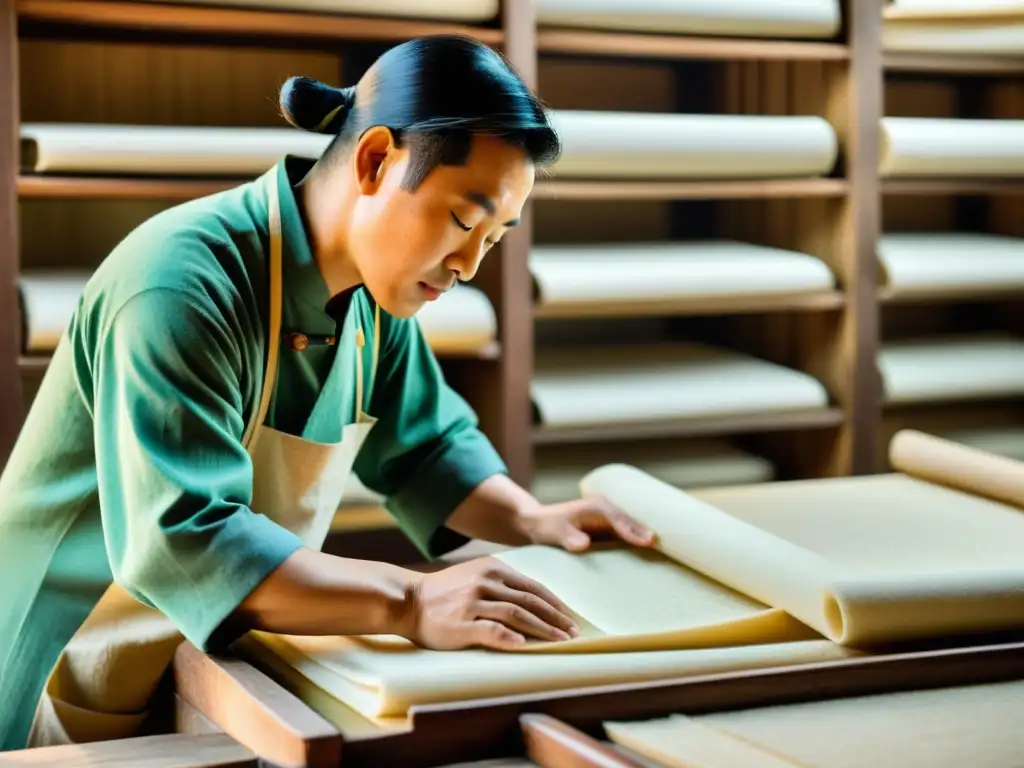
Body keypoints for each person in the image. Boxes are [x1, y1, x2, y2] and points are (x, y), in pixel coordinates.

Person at [0, 35, 654, 752]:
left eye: (493, 239)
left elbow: (428, 450)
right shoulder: (178, 283)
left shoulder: (376, 300)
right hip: (60, 659)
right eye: (464, 221)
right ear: (376, 160)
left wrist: (537, 521)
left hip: (202, 651)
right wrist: (410, 600)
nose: (469, 264)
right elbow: (184, 536)